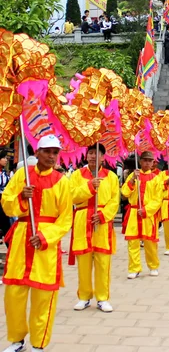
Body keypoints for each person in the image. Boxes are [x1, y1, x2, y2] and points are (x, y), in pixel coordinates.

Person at [1, 134, 73, 352]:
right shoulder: (22, 175)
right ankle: (16, 339)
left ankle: (39, 343)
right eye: (47, 151)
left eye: (55, 152)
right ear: (37, 153)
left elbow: (65, 218)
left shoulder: (62, 181)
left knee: (44, 296)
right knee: (14, 294)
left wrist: (45, 236)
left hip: (45, 245)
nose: (51, 156)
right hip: (22, 238)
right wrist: (21, 196)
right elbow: (6, 203)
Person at [69, 144, 120, 313]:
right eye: (90, 153)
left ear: (103, 157)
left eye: (96, 153)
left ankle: (102, 297)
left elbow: (114, 200)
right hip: (83, 219)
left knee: (102, 262)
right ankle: (84, 296)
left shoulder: (111, 177)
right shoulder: (77, 175)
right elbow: (72, 196)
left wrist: (104, 215)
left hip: (102, 223)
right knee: (83, 262)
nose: (93, 156)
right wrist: (90, 186)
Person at [121, 151, 162, 279]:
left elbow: (157, 199)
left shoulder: (156, 178)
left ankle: (153, 266)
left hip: (148, 215)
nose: (147, 163)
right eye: (145, 160)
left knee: (150, 243)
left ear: (153, 163)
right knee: (133, 243)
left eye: (150, 161)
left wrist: (146, 210)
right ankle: (134, 268)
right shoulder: (133, 175)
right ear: (140, 162)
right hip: (133, 212)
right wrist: (132, 180)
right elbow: (125, 193)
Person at [0, 150, 12, 245]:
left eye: (6, 158)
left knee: (7, 227)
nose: (6, 160)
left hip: (3, 201)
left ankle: (11, 251)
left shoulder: (4, 172)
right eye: (3, 158)